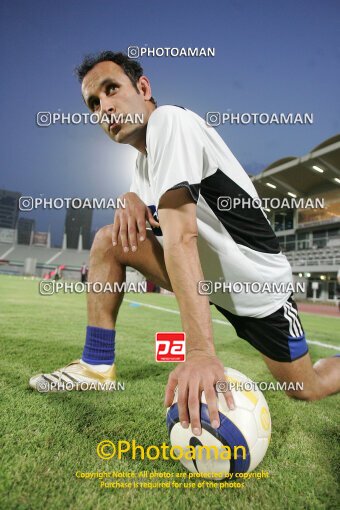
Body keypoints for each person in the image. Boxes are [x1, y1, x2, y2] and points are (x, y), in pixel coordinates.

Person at [29, 52, 340, 436]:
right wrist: (129, 199)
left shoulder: (170, 122)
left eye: (112, 89)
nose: (105, 106)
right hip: (205, 284)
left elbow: (182, 237)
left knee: (306, 388)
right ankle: (96, 366)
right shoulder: (142, 167)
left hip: (259, 292)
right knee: (110, 241)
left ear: (143, 88)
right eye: (94, 103)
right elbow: (148, 221)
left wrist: (200, 353)